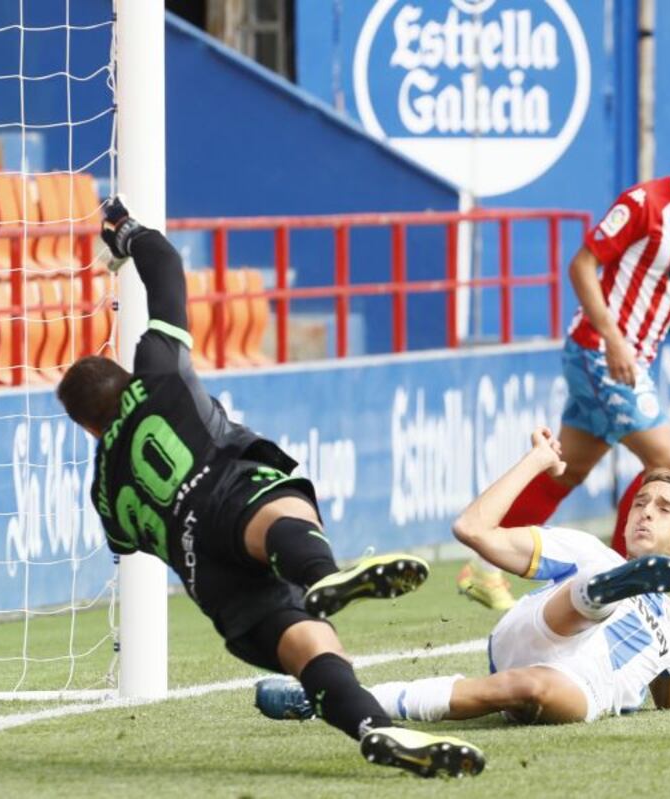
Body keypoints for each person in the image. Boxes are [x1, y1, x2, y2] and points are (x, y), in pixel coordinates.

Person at [56, 198, 485, 779]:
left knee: (313, 653)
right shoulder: (155, 370)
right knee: (269, 505)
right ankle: (320, 574)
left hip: (210, 582)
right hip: (222, 490)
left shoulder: (103, 492)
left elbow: (126, 546)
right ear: (124, 379)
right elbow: (165, 264)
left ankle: (373, 727)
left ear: (86, 427)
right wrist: (124, 231)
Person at [258, 427, 670, 725]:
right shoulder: (581, 545)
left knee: (531, 689)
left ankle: (327, 701)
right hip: (536, 633)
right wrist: (535, 462)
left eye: (664, 508)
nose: (646, 511)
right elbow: (473, 529)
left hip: (581, 690)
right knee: (586, 588)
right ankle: (598, 594)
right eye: (641, 503)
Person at [458, 116, 670, 610]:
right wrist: (613, 338)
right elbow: (582, 265)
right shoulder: (645, 204)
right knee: (667, 461)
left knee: (566, 471)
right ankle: (622, 575)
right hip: (599, 350)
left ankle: (483, 568)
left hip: (629, 356)